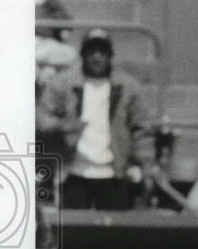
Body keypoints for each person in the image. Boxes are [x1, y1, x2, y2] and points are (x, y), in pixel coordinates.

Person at [36, 28, 156, 210]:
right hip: (73, 172)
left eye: (102, 51)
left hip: (114, 173)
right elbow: (41, 117)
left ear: (110, 55)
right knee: (72, 234)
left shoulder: (128, 87)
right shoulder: (63, 83)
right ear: (83, 54)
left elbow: (142, 129)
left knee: (114, 235)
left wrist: (145, 165)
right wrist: (62, 125)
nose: (97, 57)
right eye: (91, 51)